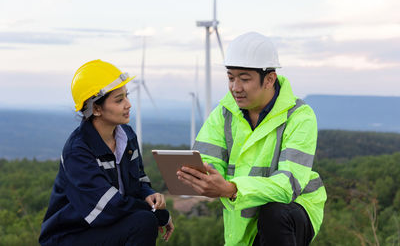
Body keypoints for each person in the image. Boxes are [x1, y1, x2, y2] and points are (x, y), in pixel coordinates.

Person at [177, 32, 327, 246]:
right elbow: (207, 164)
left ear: (269, 79)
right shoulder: (224, 112)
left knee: (274, 213)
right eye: (231, 78)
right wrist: (201, 177)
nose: (235, 88)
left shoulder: (299, 115)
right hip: (242, 215)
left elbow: (287, 186)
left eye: (245, 79)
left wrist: (231, 189)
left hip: (292, 213)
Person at [39, 60, 174, 246]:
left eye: (127, 96)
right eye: (119, 100)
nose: (128, 105)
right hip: (70, 236)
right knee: (144, 221)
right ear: (96, 108)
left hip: (103, 230)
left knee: (143, 221)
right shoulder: (78, 151)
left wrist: (149, 195)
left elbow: (139, 179)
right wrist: (159, 214)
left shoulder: (127, 136)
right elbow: (107, 207)